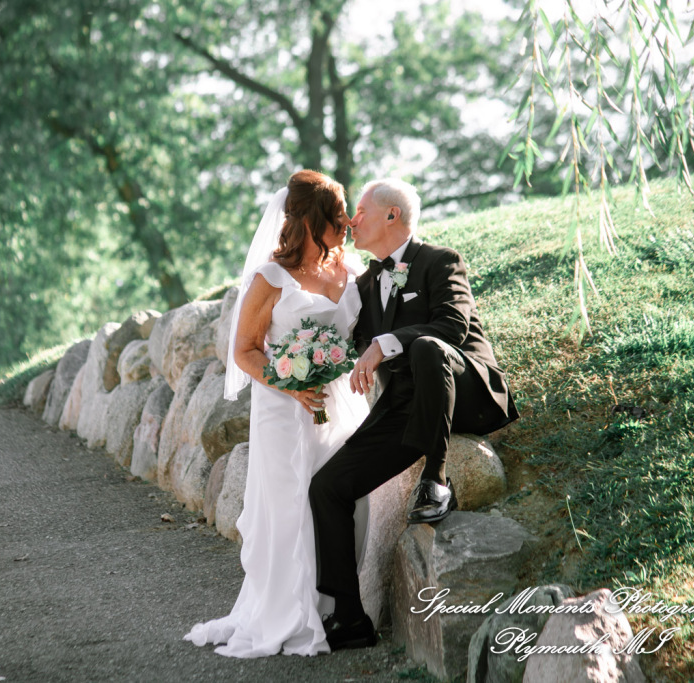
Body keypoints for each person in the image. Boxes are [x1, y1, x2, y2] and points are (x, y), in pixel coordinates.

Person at [308, 178, 519, 651]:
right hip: (406, 406)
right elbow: (344, 344)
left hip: (464, 390)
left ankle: (436, 481)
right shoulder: (366, 284)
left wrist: (385, 344)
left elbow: (452, 327)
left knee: (426, 346)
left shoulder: (440, 261)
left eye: (360, 211)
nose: (352, 220)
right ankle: (349, 617)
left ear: (392, 215)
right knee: (327, 487)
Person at [184, 170, 371, 657]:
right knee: (291, 511)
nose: (347, 224)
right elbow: (245, 351)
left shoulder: (351, 269)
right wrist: (292, 383)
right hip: (284, 412)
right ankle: (290, 612)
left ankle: (336, 606)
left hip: (341, 405)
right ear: (311, 221)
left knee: (348, 504)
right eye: (337, 216)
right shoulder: (271, 278)